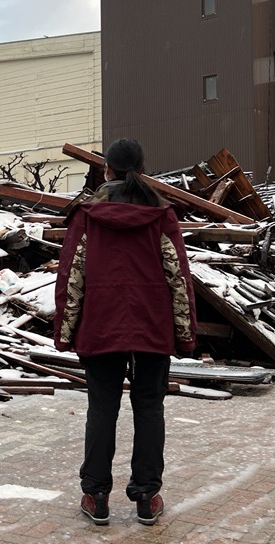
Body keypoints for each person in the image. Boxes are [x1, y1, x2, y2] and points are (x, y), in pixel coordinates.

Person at [53, 138, 197, 527]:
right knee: (149, 408)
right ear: (142, 169)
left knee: (102, 409)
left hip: (100, 327)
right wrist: (184, 334)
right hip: (152, 328)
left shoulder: (87, 216)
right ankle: (147, 497)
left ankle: (96, 495)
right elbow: (179, 279)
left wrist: (65, 332)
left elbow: (72, 277)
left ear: (106, 170)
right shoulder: (162, 216)